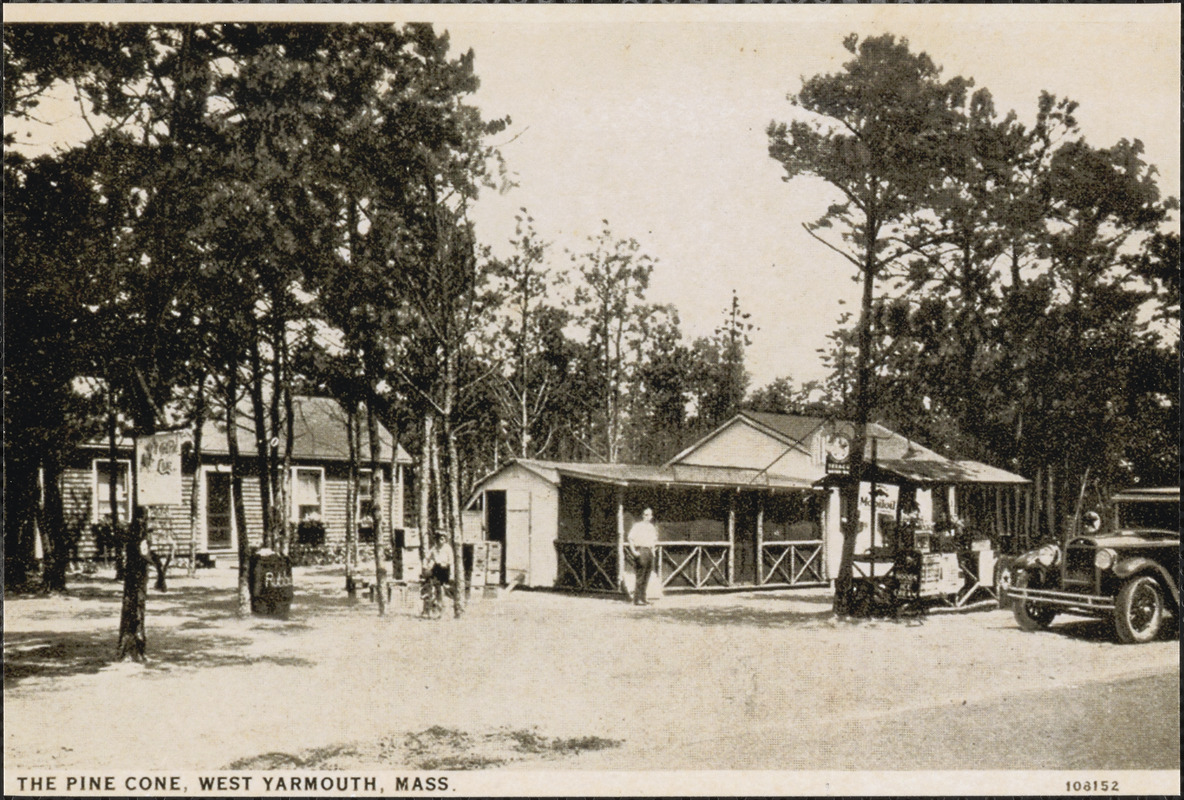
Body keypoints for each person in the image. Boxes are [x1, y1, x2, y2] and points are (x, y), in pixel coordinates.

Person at [627, 508, 659, 605]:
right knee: (640, 575)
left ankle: (643, 598)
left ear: (651, 516)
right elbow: (630, 538)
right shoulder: (637, 526)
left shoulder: (651, 527)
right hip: (641, 549)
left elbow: (654, 540)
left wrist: (653, 551)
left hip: (649, 551)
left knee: (647, 575)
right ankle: (637, 599)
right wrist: (634, 551)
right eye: (645, 515)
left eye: (649, 515)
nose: (647, 517)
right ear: (642, 516)